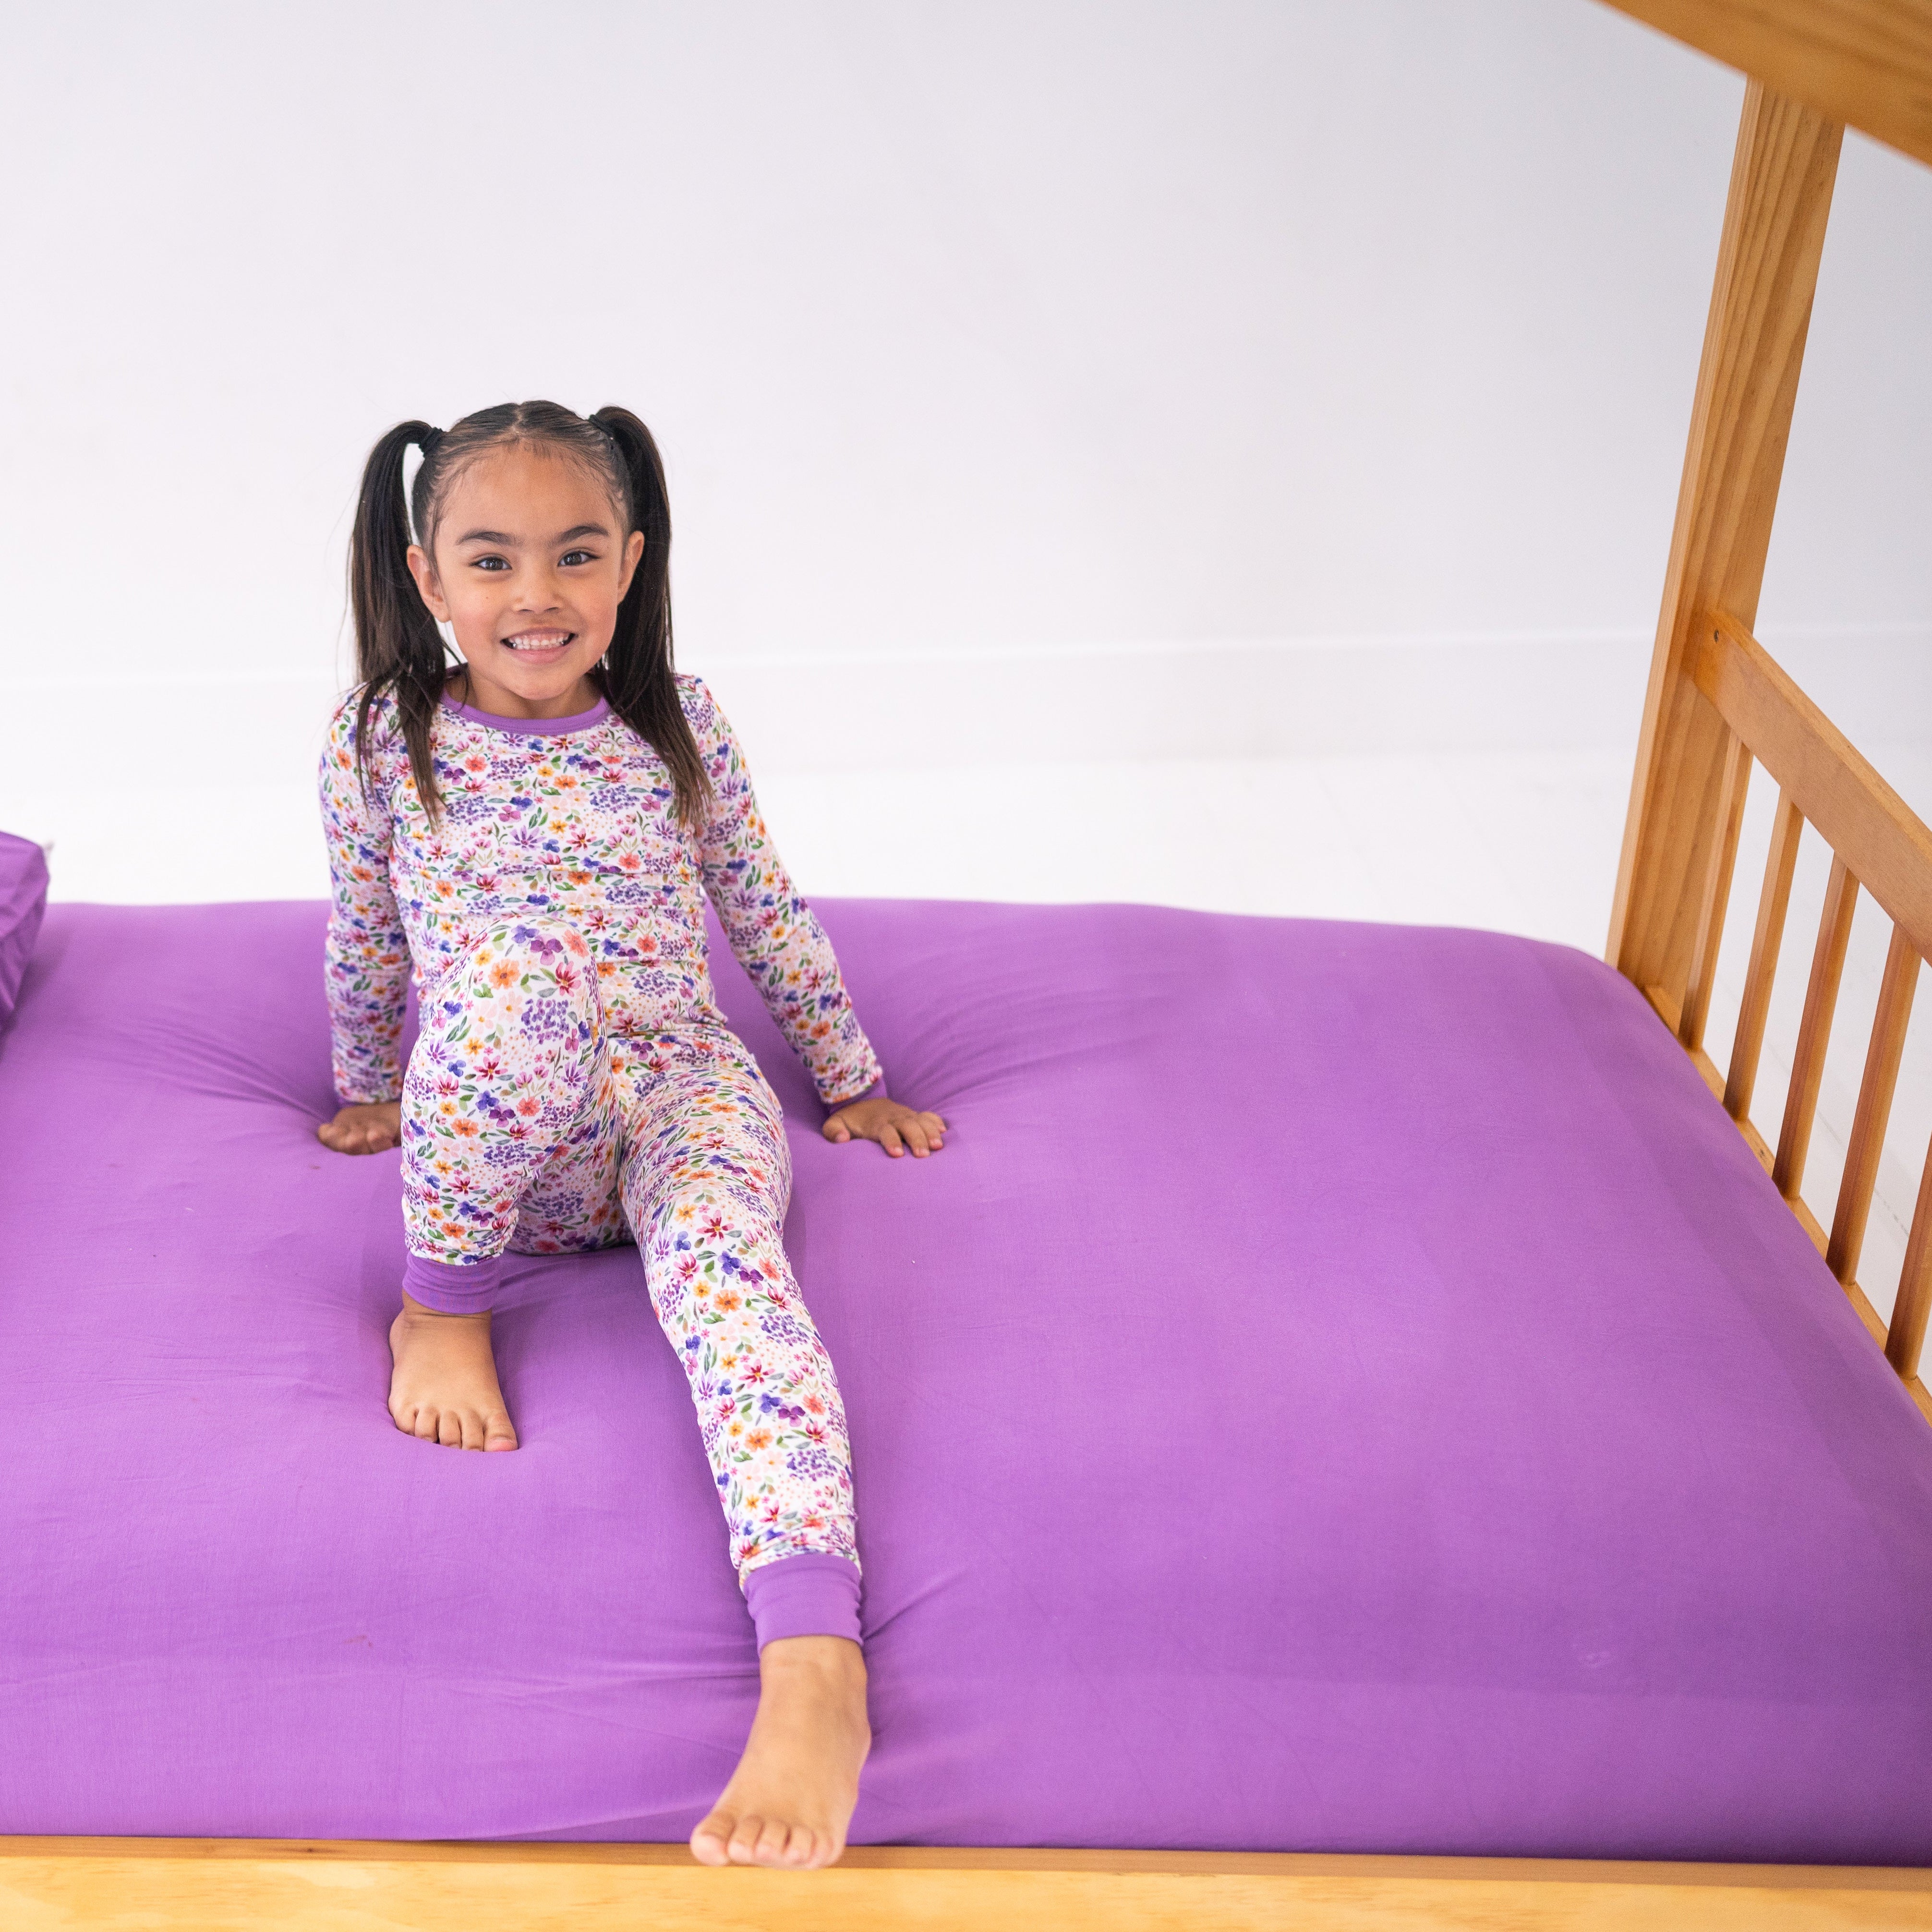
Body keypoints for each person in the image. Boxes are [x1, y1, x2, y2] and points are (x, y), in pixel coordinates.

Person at [315, 399, 944, 1870]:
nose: (536, 594)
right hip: (502, 1130)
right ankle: (437, 1308)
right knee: (523, 982)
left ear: (630, 564)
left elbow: (763, 910)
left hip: (672, 1088)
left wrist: (848, 1076)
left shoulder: (677, 718)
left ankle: (813, 1663)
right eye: (493, 560)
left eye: (576, 555)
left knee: (738, 1279)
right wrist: (368, 1081)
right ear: (428, 579)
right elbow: (364, 934)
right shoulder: (377, 737)